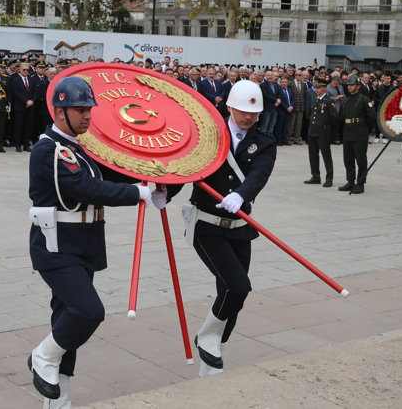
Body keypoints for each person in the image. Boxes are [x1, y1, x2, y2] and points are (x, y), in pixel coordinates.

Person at [27, 76, 152, 406]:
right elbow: (87, 188)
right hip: (57, 247)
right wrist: (136, 193)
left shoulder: (78, 147)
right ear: (59, 112)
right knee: (88, 311)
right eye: (80, 110)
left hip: (83, 245)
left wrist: (153, 178)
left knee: (65, 320)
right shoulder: (49, 149)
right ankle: (41, 356)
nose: (87, 116)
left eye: (89, 109)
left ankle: (58, 401)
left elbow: (108, 173)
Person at [166, 79, 276, 377]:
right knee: (238, 287)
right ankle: (206, 337)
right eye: (242, 111)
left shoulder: (265, 142)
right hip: (207, 225)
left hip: (240, 227)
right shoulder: (209, 136)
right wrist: (166, 191)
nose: (248, 117)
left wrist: (242, 194)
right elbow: (187, 167)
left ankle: (213, 364)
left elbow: (260, 173)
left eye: (253, 113)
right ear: (229, 107)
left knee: (231, 299)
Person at [339, 75, 376, 194]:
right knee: (348, 160)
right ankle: (350, 181)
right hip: (348, 133)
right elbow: (342, 116)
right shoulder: (346, 100)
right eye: (348, 85)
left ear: (358, 86)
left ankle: (360, 183)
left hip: (360, 134)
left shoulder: (364, 100)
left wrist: (362, 126)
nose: (349, 87)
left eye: (352, 85)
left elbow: (371, 116)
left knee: (361, 160)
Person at [304, 77, 338, 187]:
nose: (316, 89)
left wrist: (325, 126)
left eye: (319, 87)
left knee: (326, 156)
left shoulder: (328, 101)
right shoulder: (313, 100)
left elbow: (334, 117)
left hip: (323, 132)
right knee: (313, 155)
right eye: (315, 87)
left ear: (324, 88)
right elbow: (309, 114)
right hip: (312, 131)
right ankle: (315, 176)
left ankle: (329, 178)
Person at [11, 62, 37, 152]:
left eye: (27, 70)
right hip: (20, 106)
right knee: (18, 127)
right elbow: (15, 92)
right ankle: (18, 144)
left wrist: (32, 101)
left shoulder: (32, 80)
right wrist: (26, 101)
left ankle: (26, 144)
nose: (26, 71)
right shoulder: (15, 80)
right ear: (20, 70)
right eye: (24, 70)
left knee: (28, 127)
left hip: (31, 107)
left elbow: (36, 92)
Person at [275, 77, 293, 146]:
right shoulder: (278, 90)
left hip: (288, 111)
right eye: (283, 82)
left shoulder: (289, 90)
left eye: (286, 82)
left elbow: (292, 99)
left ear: (288, 83)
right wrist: (286, 108)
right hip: (281, 110)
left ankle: (284, 139)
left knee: (286, 126)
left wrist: (291, 106)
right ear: (280, 83)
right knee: (279, 126)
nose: (284, 83)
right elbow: (280, 101)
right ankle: (278, 140)